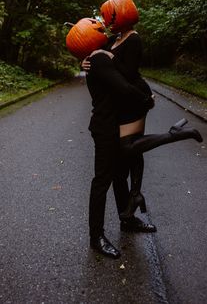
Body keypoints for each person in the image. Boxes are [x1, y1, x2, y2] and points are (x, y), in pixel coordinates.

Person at [84, 0, 203, 225]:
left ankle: (172, 136)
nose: (107, 20)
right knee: (126, 154)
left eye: (111, 15)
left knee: (128, 147)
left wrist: (109, 57)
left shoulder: (133, 40)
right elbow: (96, 56)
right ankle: (133, 200)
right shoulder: (113, 39)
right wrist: (86, 61)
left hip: (135, 99)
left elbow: (127, 73)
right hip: (123, 101)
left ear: (124, 13)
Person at [66, 17, 156, 259]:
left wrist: (83, 58)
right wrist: (147, 100)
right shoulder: (98, 60)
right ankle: (96, 237)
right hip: (105, 128)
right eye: (95, 28)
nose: (101, 28)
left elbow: (115, 51)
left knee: (119, 176)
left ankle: (127, 219)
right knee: (102, 180)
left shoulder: (99, 55)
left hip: (113, 124)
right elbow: (124, 88)